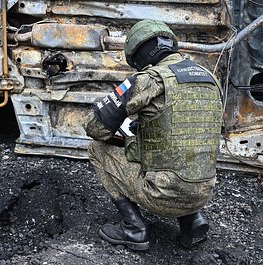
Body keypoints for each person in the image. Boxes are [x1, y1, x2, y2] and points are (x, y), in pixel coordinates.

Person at [84, 19, 223, 250]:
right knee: (186, 150)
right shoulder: (209, 78)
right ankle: (193, 220)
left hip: (162, 196)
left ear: (140, 53)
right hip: (204, 192)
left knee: (97, 150)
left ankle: (134, 230)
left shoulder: (149, 79)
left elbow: (95, 128)